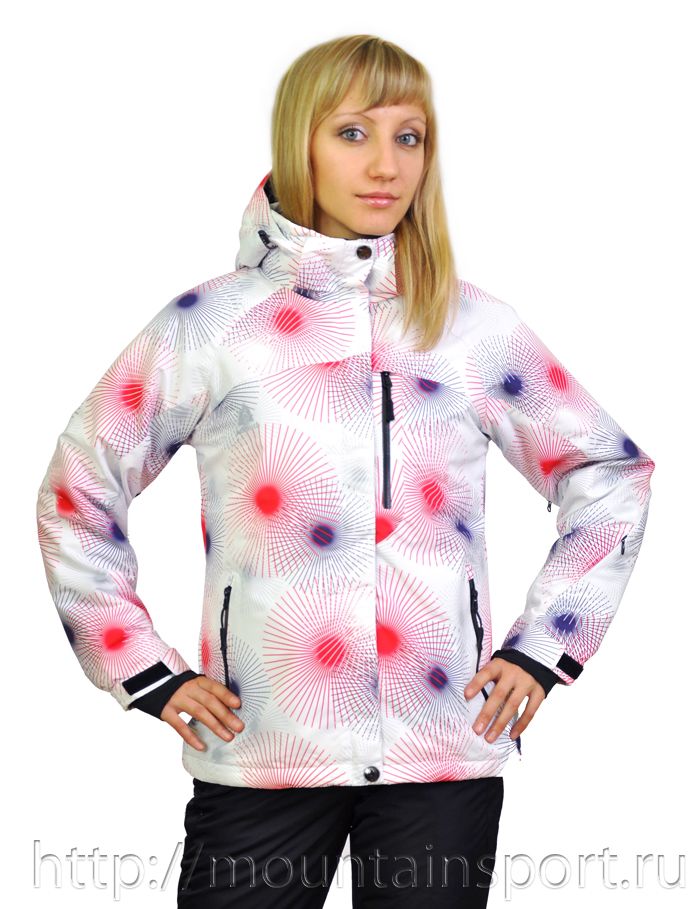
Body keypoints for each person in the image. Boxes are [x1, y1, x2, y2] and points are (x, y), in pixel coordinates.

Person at [36, 34, 655, 907]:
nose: (387, 165)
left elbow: (610, 475)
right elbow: (78, 488)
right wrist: (142, 666)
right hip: (265, 746)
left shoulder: (470, 329)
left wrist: (544, 647)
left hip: (440, 750)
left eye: (410, 136)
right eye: (354, 133)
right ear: (302, 143)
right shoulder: (211, 325)